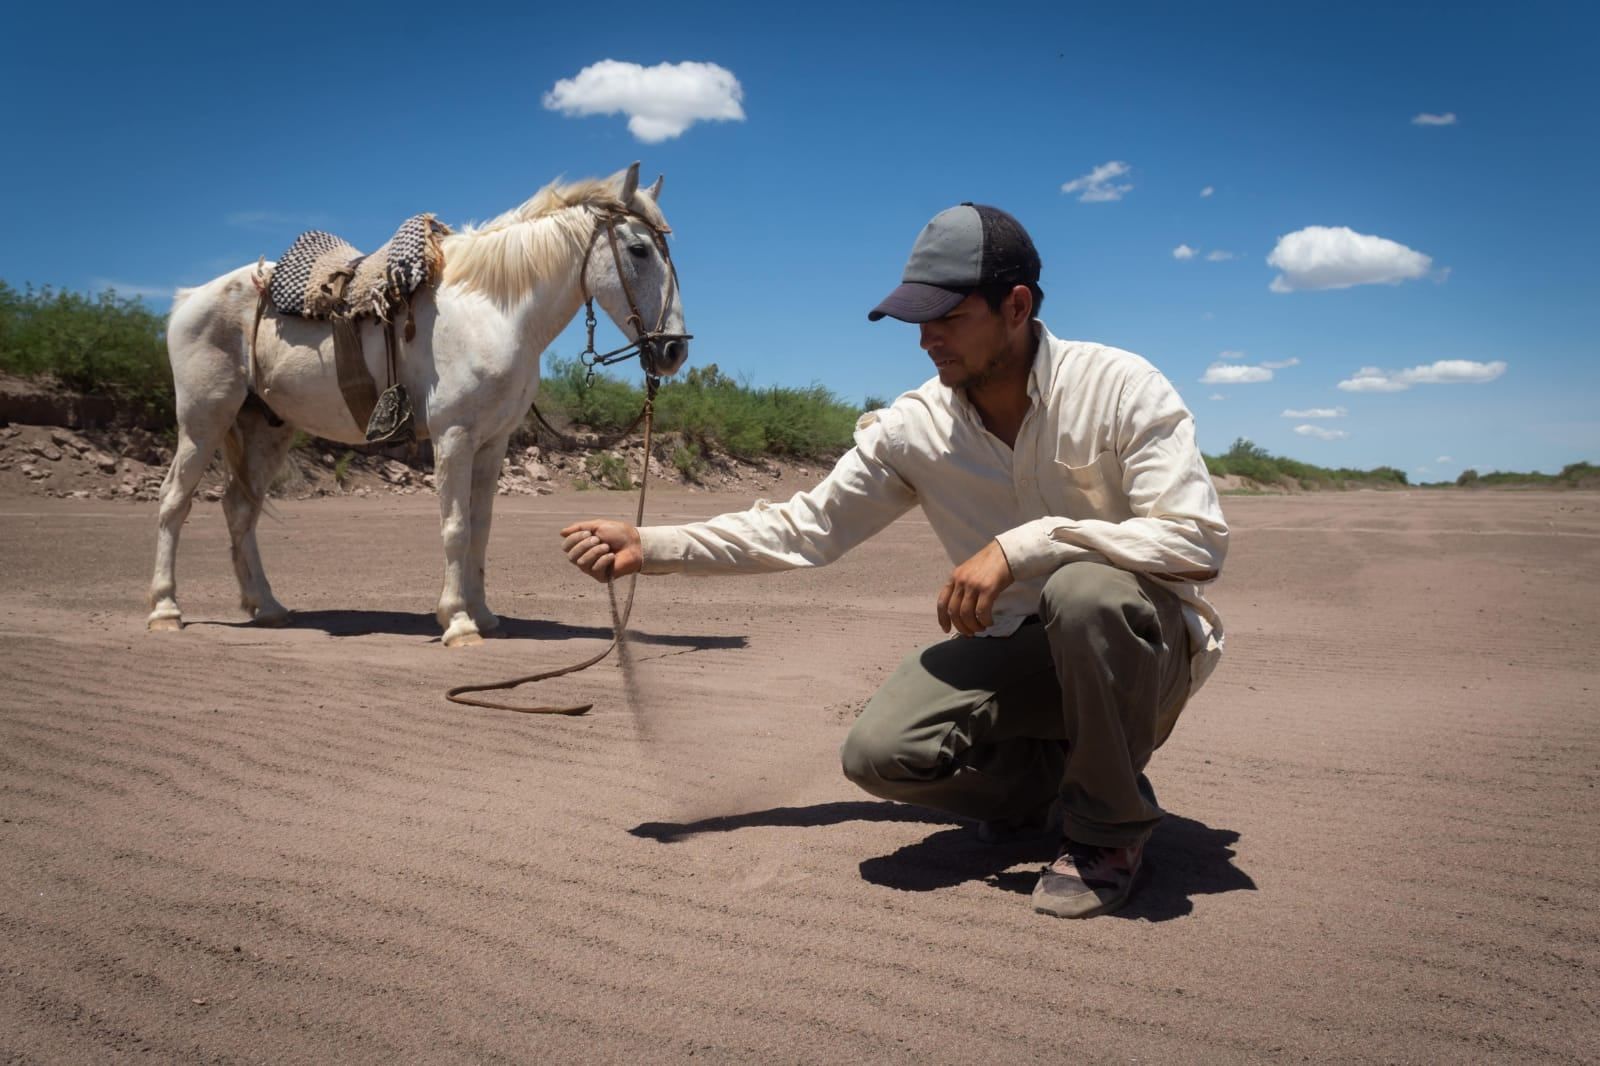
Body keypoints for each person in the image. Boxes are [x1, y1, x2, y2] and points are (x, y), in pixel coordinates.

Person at [560, 203, 1228, 919]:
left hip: (1138, 654)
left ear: (1017, 306)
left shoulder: (1120, 387)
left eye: (947, 318)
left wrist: (1022, 546)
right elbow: (808, 526)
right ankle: (1057, 787)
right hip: (1023, 652)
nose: (927, 340)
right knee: (881, 754)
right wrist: (652, 544)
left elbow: (1195, 540)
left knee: (1088, 591)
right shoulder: (917, 426)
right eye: (917, 320)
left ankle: (1109, 831)